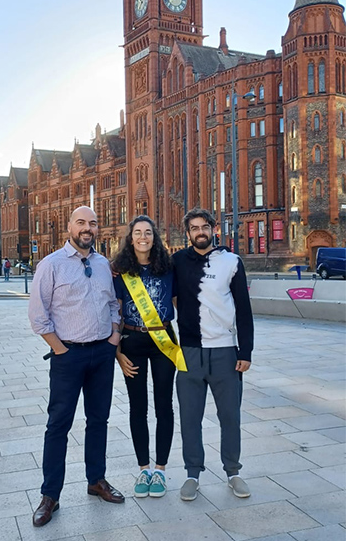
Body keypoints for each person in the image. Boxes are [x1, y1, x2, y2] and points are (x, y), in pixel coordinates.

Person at [28, 206, 124, 527]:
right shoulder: (51, 265)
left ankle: (96, 480)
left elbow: (113, 304)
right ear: (69, 227)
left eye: (93, 223)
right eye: (81, 222)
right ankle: (50, 495)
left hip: (102, 354)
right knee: (59, 424)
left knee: (98, 420)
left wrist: (113, 339)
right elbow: (38, 316)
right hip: (68, 356)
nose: (87, 228)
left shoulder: (101, 265)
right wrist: (60, 350)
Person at [173, 208, 254, 502]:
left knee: (230, 416)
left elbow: (244, 309)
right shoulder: (178, 261)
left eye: (204, 226)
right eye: (194, 228)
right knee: (189, 417)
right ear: (188, 233)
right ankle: (192, 473)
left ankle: (233, 471)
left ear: (213, 228)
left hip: (224, 351)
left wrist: (246, 350)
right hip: (190, 352)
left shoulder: (231, 261)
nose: (200, 232)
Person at [113, 215, 182, 499]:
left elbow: (179, 303)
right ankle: (144, 468)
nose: (143, 237)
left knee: (164, 405)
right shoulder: (119, 271)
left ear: (155, 237)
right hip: (132, 340)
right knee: (137, 406)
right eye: (138, 232)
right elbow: (114, 311)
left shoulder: (168, 268)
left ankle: (161, 469)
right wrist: (116, 352)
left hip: (164, 339)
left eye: (148, 232)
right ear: (130, 238)